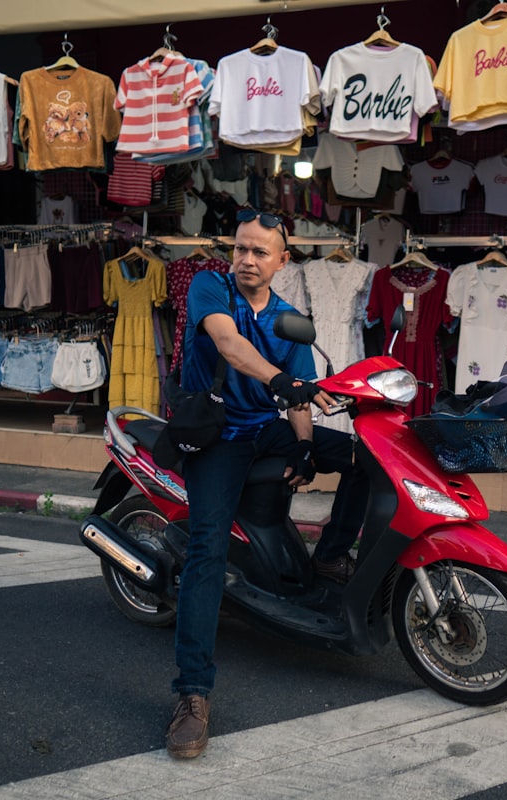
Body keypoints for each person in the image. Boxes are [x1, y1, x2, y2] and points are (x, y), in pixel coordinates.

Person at [165, 209, 370, 759]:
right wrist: (281, 382)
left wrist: (304, 446)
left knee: (363, 456)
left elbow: (300, 391)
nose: (247, 260)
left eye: (260, 252)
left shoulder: (287, 317)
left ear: (283, 261)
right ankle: (192, 693)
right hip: (217, 435)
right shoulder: (212, 287)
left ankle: (329, 556)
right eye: (241, 248)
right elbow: (230, 346)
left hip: (265, 431)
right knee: (207, 550)